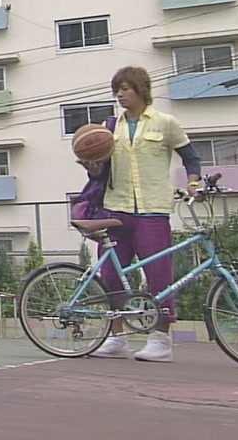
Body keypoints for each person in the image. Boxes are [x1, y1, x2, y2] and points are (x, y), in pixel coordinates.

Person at [79, 66, 201, 363]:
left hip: (153, 211)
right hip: (116, 209)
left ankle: (160, 340)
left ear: (141, 89)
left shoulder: (165, 123)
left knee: (159, 275)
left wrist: (194, 183)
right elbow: (100, 172)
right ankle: (117, 338)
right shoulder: (108, 128)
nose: (120, 95)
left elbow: (191, 157)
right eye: (117, 90)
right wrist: (92, 168)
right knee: (111, 275)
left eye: (125, 89)